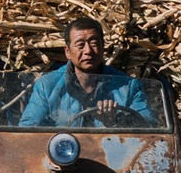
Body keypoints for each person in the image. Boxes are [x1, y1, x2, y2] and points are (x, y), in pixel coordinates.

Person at [20, 17, 156, 127]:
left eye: (94, 43)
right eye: (80, 45)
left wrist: (117, 119)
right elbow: (27, 130)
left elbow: (150, 126)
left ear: (103, 47)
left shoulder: (128, 86)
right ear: (67, 52)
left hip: (113, 156)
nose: (88, 51)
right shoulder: (47, 85)